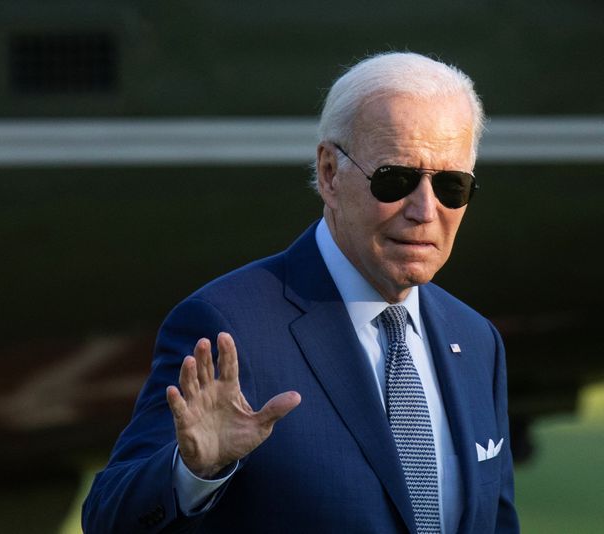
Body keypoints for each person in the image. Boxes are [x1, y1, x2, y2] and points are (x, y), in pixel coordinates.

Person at [82, 51, 519, 533]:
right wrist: (193, 474)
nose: (424, 209)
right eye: (395, 180)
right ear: (330, 173)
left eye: (451, 187)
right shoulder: (228, 326)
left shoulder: (476, 340)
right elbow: (109, 518)